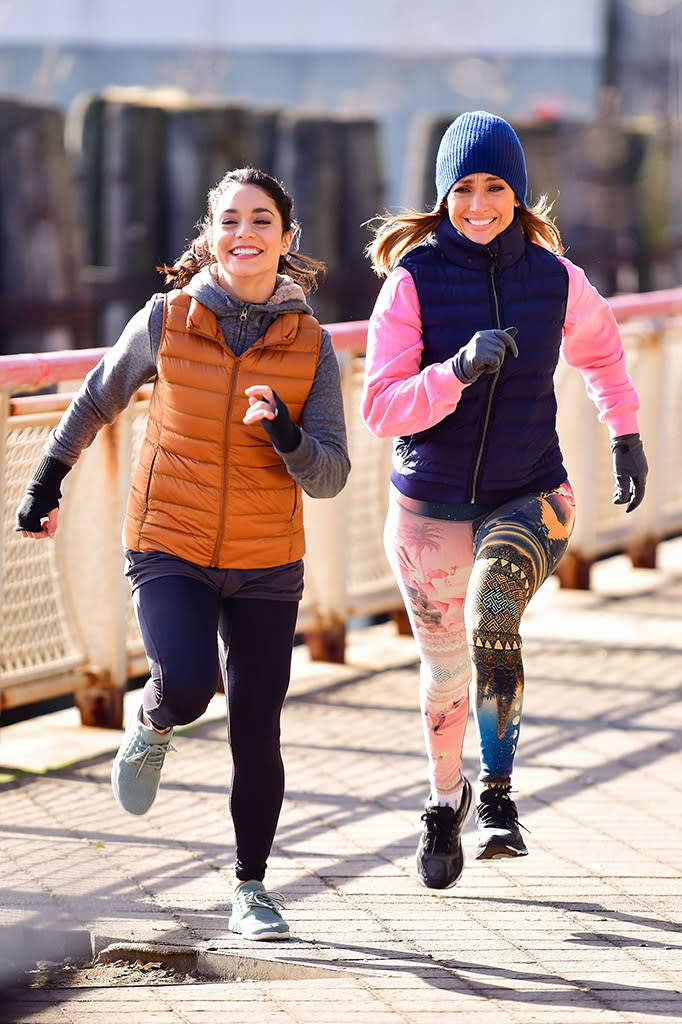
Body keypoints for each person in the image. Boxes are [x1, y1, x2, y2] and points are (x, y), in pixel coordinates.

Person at [16, 166, 351, 939]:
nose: (245, 234)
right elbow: (96, 396)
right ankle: (157, 721)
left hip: (269, 560)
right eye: (229, 220)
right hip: (170, 540)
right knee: (192, 681)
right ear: (209, 234)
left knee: (256, 726)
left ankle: (252, 888)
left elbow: (331, 474)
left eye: (261, 220)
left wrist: (284, 434)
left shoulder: (311, 346)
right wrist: (45, 481)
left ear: (287, 239)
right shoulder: (167, 319)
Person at [361, 111, 647, 890]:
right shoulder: (412, 281)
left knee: (492, 614)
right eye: (464, 188)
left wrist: (625, 433)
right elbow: (381, 408)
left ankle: (496, 800)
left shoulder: (555, 278)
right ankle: (441, 799)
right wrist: (453, 371)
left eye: (496, 188)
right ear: (444, 194)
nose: (479, 204)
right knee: (445, 669)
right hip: (429, 507)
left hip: (530, 491)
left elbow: (604, 354)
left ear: (518, 196)